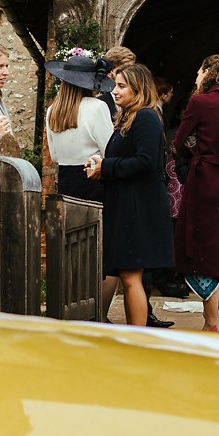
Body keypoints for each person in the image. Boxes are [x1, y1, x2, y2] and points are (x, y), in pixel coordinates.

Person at [84, 64, 174, 326]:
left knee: (131, 276)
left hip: (139, 208)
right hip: (127, 204)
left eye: (122, 86)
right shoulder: (130, 117)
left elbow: (146, 162)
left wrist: (107, 166)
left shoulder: (145, 117)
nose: (115, 90)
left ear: (138, 88)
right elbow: (126, 159)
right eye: (116, 84)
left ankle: (137, 337)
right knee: (128, 275)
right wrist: (101, 166)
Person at [172, 55, 219, 332]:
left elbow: (178, 141)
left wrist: (197, 150)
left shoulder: (199, 102)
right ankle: (211, 320)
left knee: (202, 248)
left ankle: (212, 322)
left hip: (206, 180)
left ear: (209, 75)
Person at [44, 53, 114, 202]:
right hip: (93, 179)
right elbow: (109, 151)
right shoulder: (97, 107)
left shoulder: (52, 110)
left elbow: (54, 156)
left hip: (64, 181)